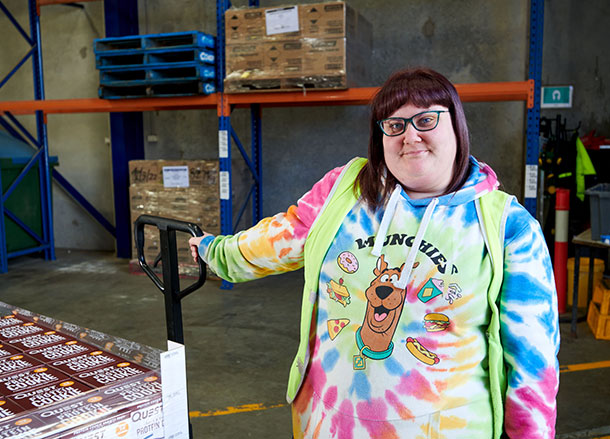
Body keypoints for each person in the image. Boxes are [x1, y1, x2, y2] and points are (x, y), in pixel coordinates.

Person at [189, 67, 560, 439]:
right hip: (327, 425)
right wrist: (214, 251)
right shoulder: (344, 189)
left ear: (457, 126)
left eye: (426, 119)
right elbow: (282, 236)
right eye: (394, 126)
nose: (410, 136)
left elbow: (533, 361)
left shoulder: (507, 226)